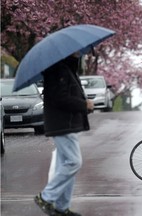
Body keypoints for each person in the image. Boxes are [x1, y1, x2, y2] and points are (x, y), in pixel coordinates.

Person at [34, 53, 94, 216]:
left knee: (66, 165)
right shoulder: (59, 69)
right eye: (76, 51)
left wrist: (83, 104)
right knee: (74, 162)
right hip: (62, 125)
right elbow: (60, 98)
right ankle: (46, 197)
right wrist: (84, 104)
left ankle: (61, 207)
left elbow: (66, 95)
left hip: (66, 124)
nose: (80, 53)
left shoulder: (66, 68)